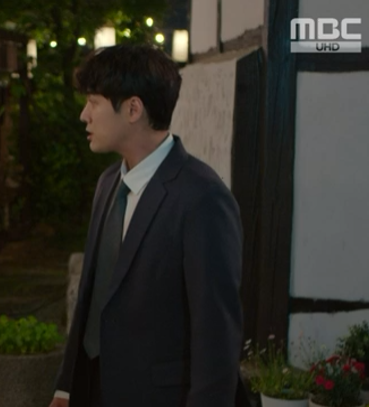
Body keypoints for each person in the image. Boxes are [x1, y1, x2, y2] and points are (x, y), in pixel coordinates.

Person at [49, 44, 250, 407]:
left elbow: (217, 338)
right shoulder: (108, 184)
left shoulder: (202, 198)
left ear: (133, 109)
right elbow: (92, 301)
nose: (83, 115)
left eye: (93, 102)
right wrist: (66, 387)